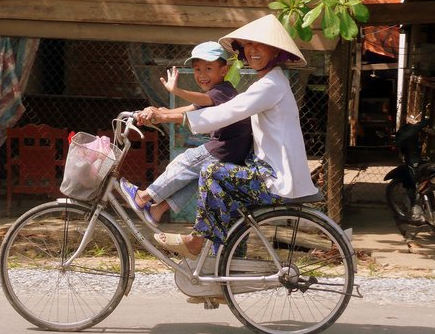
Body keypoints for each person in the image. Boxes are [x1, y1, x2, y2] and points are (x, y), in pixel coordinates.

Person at [142, 14, 320, 259]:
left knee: (211, 170)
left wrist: (166, 117)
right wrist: (166, 113)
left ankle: (197, 239)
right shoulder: (270, 82)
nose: (253, 51)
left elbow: (227, 112)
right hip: (265, 170)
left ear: (275, 51)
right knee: (228, 198)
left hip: (277, 180)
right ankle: (230, 266)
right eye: (248, 45)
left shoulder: (270, 85)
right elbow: (209, 108)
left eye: (260, 45)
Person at [120, 41, 252, 227]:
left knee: (185, 161)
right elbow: (184, 111)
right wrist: (157, 113)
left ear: (224, 70)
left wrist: (177, 91)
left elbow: (203, 100)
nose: (202, 75)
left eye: (208, 68)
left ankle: (143, 197)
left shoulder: (224, 91)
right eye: (197, 69)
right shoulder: (215, 92)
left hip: (222, 150)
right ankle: (157, 211)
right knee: (191, 178)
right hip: (231, 154)